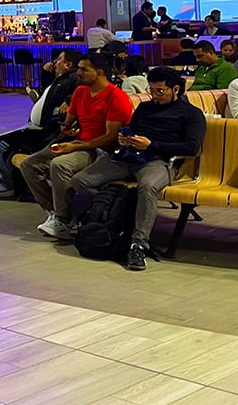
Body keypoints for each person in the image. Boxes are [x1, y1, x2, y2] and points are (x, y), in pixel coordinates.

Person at [64, 67, 206, 270]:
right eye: (152, 90)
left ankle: (138, 244)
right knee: (79, 181)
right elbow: (134, 130)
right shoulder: (144, 108)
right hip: (127, 156)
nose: (155, 95)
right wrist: (125, 138)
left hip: (159, 160)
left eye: (160, 91)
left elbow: (192, 147)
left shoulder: (191, 114)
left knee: (148, 187)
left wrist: (151, 145)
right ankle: (117, 208)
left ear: (175, 89)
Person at [19, 52, 133, 239]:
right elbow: (69, 122)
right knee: (29, 164)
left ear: (100, 72)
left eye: (84, 69)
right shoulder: (80, 92)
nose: (78, 72)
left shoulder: (116, 97)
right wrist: (67, 129)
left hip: (99, 150)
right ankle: (55, 213)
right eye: (78, 68)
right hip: (77, 142)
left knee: (60, 165)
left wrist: (75, 147)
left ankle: (64, 220)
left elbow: (110, 138)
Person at [0, 49, 81, 199]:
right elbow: (44, 96)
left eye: (58, 59)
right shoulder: (60, 79)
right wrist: (46, 75)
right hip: (40, 125)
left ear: (68, 64)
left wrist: (69, 100)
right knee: (0, 142)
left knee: (0, 142)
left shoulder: (72, 80)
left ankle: (5, 186)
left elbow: (79, 92)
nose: (54, 62)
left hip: (45, 129)